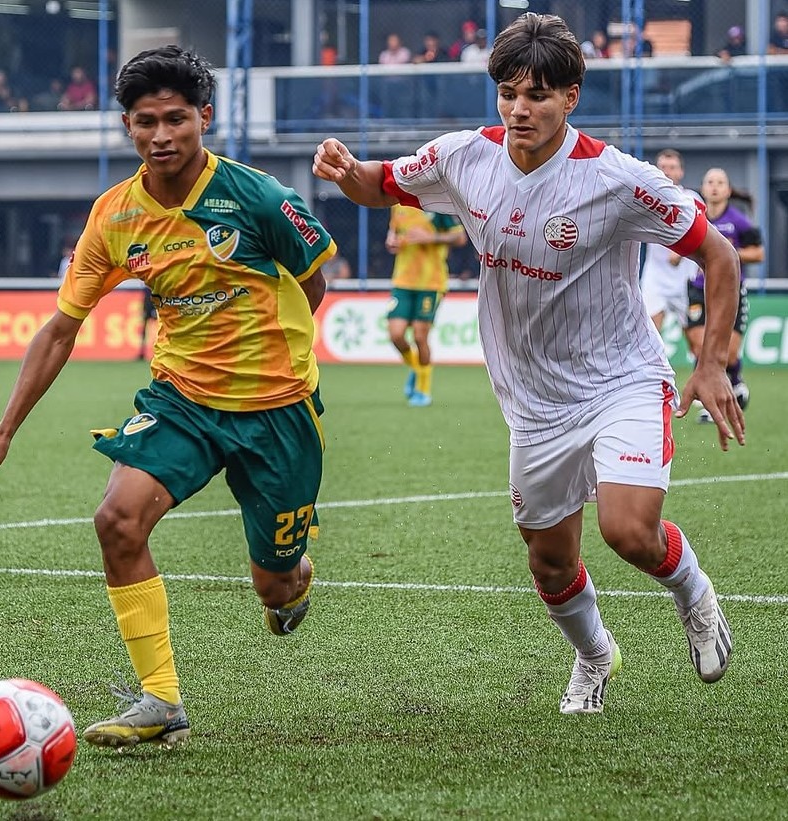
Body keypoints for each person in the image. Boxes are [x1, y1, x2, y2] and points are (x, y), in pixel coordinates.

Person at [313, 12, 743, 716]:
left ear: (569, 98)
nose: (520, 108)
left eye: (538, 95)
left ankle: (693, 595)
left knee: (626, 530)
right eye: (509, 92)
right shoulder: (461, 157)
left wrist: (712, 363)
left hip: (620, 380)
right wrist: (344, 170)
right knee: (548, 559)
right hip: (534, 401)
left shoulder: (614, 179)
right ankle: (594, 654)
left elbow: (716, 254)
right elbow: (379, 183)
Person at [0, 45, 336, 749]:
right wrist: (5, 428)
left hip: (277, 411)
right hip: (181, 400)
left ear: (204, 116)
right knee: (117, 519)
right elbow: (59, 329)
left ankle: (292, 575)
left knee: (275, 585)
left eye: (174, 118)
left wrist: (272, 346)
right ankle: (160, 699)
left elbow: (315, 279)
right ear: (127, 128)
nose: (160, 134)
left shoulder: (257, 196)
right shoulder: (115, 216)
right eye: (144, 122)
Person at [688, 168, 762, 421]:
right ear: (703, 188)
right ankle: (712, 402)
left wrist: (726, 255)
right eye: (710, 182)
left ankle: (735, 383)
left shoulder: (739, 221)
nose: (715, 187)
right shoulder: (695, 216)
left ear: (728, 190)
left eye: (720, 182)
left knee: (728, 353)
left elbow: (758, 253)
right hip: (699, 287)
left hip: (731, 289)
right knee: (700, 346)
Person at [385, 204, 465, 407]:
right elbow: (393, 233)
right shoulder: (397, 206)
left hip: (431, 282)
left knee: (420, 336)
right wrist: (392, 241)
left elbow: (460, 237)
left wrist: (430, 238)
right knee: (396, 335)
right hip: (402, 280)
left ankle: (423, 390)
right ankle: (417, 367)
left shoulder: (437, 206)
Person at [640, 149, 701, 335]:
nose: (667, 172)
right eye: (662, 167)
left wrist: (682, 250)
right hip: (655, 278)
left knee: (697, 345)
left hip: (685, 280)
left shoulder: (691, 199)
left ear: (681, 172)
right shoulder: (644, 198)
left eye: (672, 167)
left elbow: (702, 236)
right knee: (651, 338)